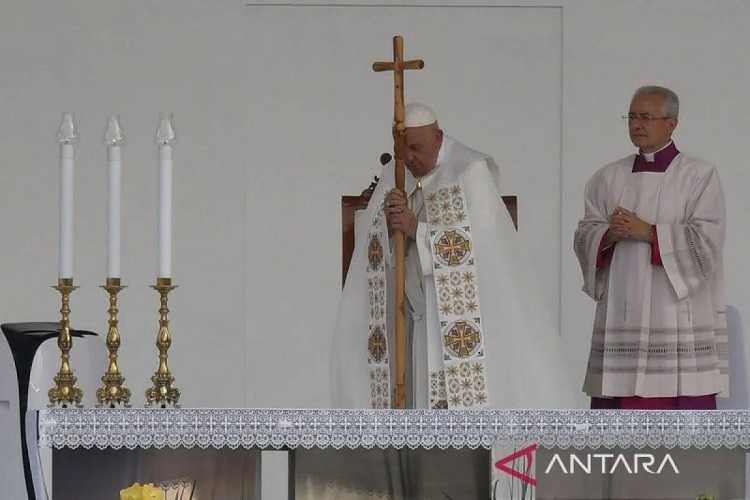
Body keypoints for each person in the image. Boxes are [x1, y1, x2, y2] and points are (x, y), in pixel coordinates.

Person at [332, 102, 577, 409]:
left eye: (416, 148)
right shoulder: (395, 174)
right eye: (403, 150)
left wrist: (414, 229)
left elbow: (480, 250)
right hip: (408, 317)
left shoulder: (468, 171)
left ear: (439, 137)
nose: (410, 158)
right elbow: (370, 253)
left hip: (453, 321)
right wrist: (384, 220)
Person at [574, 86, 728, 410]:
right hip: (623, 310)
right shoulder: (606, 177)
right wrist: (607, 236)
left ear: (672, 124)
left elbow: (708, 240)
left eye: (647, 117)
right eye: (632, 117)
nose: (637, 125)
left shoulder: (699, 176)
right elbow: (585, 232)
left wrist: (651, 233)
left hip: (673, 313)